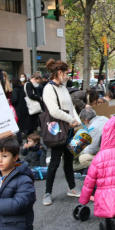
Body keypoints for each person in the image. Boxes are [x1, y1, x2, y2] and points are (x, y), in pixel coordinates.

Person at [42, 59, 81, 206]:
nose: (67, 76)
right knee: (54, 162)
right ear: (59, 73)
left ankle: (71, 187)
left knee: (69, 160)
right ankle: (47, 192)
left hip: (68, 129)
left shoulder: (63, 88)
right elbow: (54, 111)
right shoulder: (49, 89)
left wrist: (77, 121)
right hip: (57, 129)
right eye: (66, 73)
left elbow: (71, 107)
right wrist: (71, 119)